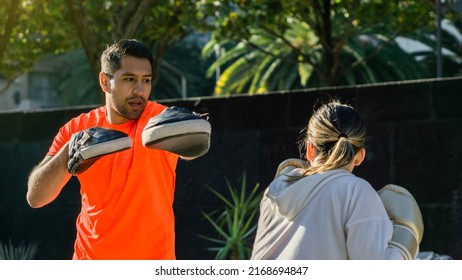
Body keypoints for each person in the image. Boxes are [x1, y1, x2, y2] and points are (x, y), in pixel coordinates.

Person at [26, 39, 208, 260]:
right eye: (129, 79)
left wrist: (194, 133)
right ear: (105, 81)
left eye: (146, 80)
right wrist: (70, 151)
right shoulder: (77, 129)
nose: (139, 90)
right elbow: (36, 197)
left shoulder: (160, 121)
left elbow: (192, 146)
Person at [251, 100, 423, 260]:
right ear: (360, 156)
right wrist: (407, 237)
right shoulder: (356, 192)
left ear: (310, 149)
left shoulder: (274, 190)